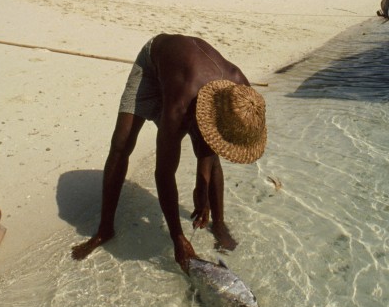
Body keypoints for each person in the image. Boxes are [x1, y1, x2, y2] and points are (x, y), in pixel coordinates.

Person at [71, 33, 267, 273]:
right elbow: (163, 173)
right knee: (122, 142)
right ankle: (105, 229)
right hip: (152, 65)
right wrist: (177, 237)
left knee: (210, 156)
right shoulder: (180, 105)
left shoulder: (242, 92)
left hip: (186, 74)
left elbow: (213, 144)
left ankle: (220, 224)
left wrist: (202, 187)